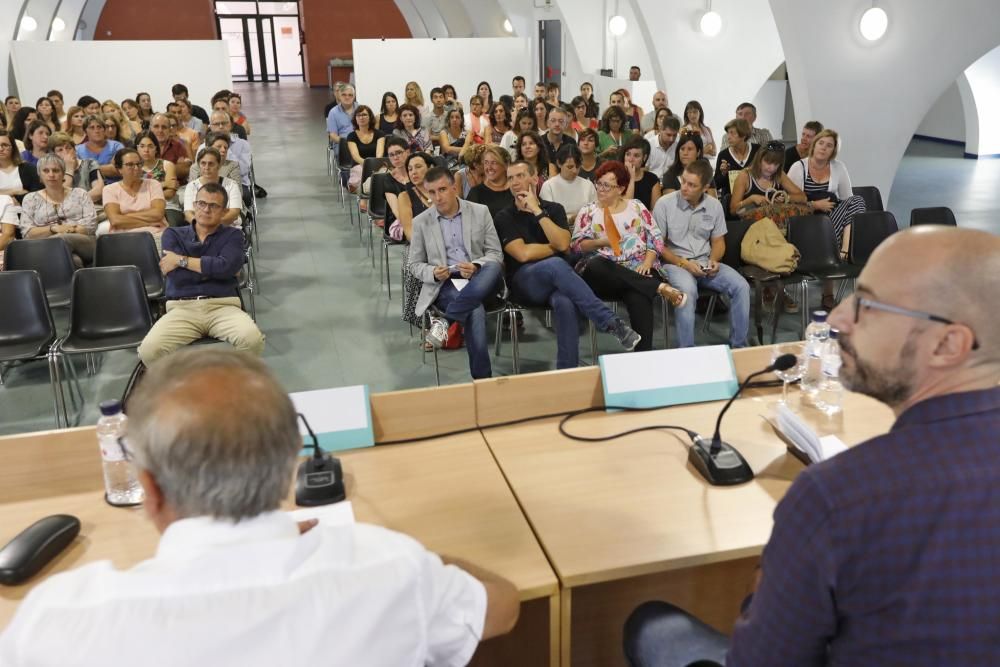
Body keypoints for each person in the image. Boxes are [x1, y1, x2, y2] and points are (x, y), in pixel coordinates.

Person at [624, 225, 1000, 667]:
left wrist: (767, 581)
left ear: (947, 345)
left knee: (650, 625)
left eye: (867, 306)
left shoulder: (837, 498)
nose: (838, 319)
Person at [1, 345, 522, 663]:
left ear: (150, 489)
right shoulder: (390, 569)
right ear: (289, 469)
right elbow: (501, 606)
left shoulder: (60, 621)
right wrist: (420, 557)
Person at [496, 159, 644, 365]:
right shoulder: (504, 216)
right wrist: (553, 247)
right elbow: (523, 254)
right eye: (510, 178)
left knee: (565, 301)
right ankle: (610, 322)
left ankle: (568, 369)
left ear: (534, 178)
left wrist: (537, 212)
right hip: (525, 282)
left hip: (559, 280)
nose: (514, 182)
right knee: (556, 264)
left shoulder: (553, 209)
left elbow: (564, 244)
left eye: (520, 176)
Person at [133, 183, 260, 363]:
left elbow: (226, 268)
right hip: (182, 308)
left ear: (224, 211)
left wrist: (181, 260)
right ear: (194, 205)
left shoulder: (233, 235)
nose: (206, 210)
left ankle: (232, 383)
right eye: (201, 203)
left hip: (223, 306)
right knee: (149, 351)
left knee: (252, 340)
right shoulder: (173, 234)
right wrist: (215, 269)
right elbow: (176, 276)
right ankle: (180, 388)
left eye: (214, 206)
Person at [572, 160, 687, 351]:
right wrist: (602, 242)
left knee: (638, 293)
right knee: (596, 264)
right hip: (604, 275)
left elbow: (656, 239)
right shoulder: (588, 211)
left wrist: (648, 261)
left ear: (621, 188)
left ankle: (643, 357)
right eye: (599, 183)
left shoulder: (636, 207)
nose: (601, 189)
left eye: (607, 185)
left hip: (639, 268)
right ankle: (659, 287)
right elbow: (576, 246)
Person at [408, 166, 504, 379]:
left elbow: (496, 254)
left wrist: (477, 265)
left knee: (493, 267)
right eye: (431, 192)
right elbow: (414, 265)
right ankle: (483, 380)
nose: (437, 197)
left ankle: (445, 322)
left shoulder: (480, 211)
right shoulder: (421, 222)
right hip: (447, 283)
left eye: (442, 189)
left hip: (480, 277)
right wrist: (433, 272)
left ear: (454, 187)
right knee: (474, 309)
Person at [653, 160, 750, 348]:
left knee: (741, 286)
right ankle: (688, 352)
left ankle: (739, 346)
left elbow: (718, 242)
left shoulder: (714, 206)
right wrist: (684, 263)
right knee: (687, 291)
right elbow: (659, 247)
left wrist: (714, 260)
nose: (685, 188)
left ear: (705, 188)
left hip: (705, 261)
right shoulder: (664, 204)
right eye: (684, 181)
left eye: (692, 185)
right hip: (675, 263)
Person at [19, 154, 98, 267]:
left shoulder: (80, 194)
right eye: (46, 171)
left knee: (62, 239)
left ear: (63, 174)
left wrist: (64, 231)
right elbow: (27, 232)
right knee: (74, 261)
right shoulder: (30, 199)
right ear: (40, 175)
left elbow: (90, 225)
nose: (51, 174)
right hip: (46, 248)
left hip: (85, 243)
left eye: (56, 170)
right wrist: (54, 228)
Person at [101, 148, 168, 248]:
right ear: (119, 169)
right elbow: (115, 220)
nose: (136, 168)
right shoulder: (109, 190)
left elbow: (158, 214)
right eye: (130, 165)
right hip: (124, 238)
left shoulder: (153, 184)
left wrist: (125, 216)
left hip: (156, 234)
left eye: (139, 164)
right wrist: (149, 221)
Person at [183, 148, 242, 228]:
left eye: (211, 164)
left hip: (227, 228)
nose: (206, 167)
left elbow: (234, 213)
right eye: (203, 163)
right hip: (199, 229)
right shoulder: (191, 186)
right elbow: (188, 214)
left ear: (218, 165)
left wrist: (211, 224)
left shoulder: (231, 185)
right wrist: (202, 226)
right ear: (199, 165)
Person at [133, 130, 182, 227]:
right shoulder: (133, 168)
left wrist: (143, 195)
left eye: (150, 146)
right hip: (141, 208)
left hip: (168, 207)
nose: (146, 150)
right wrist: (164, 184)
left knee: (167, 228)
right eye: (142, 146)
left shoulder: (167, 165)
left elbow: (170, 194)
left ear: (156, 148)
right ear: (136, 148)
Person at [540, 144, 596, 225]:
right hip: (558, 229)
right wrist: (570, 220)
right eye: (570, 167)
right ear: (559, 163)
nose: (574, 171)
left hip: (585, 229)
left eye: (578, 167)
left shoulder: (588, 185)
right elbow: (547, 216)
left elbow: (595, 211)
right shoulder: (548, 186)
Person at [50, 132, 103, 204]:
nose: (66, 152)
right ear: (54, 155)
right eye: (60, 150)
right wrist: (69, 169)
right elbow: (61, 196)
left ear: (74, 150)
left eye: (68, 148)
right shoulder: (53, 172)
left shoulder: (89, 164)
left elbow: (98, 191)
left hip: (92, 208)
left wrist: (75, 202)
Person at [713, 117, 760, 198]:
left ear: (743, 135)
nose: (728, 137)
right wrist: (723, 174)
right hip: (731, 200)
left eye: (732, 133)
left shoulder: (757, 150)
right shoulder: (723, 155)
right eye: (728, 133)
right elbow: (716, 185)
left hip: (755, 197)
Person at [395, 152, 434, 241]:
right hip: (421, 244)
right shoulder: (404, 197)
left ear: (430, 168)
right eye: (410, 169)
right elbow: (409, 233)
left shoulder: (441, 191)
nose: (414, 172)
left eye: (418, 167)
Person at [467, 145, 514, 218]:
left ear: (506, 165)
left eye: (494, 162)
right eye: (486, 163)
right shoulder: (476, 192)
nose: (489, 167)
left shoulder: (516, 189)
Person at [76, 114, 125, 182]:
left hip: (114, 186)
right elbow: (77, 173)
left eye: (99, 127)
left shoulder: (116, 146)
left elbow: (119, 170)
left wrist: (88, 169)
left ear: (104, 130)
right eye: (92, 127)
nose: (96, 131)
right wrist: (108, 168)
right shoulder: (78, 150)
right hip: (88, 188)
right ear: (85, 132)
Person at [0, 129, 42, 201]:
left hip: (23, 210)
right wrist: (13, 192)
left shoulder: (29, 169)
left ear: (13, 147)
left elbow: (38, 196)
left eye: (5, 145)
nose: (0, 149)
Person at [621, 136, 662, 210]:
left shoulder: (652, 179)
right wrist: (631, 178)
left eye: (636, 156)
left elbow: (655, 212)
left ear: (644, 158)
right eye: (628, 154)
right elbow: (624, 208)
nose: (630, 159)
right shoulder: (616, 177)